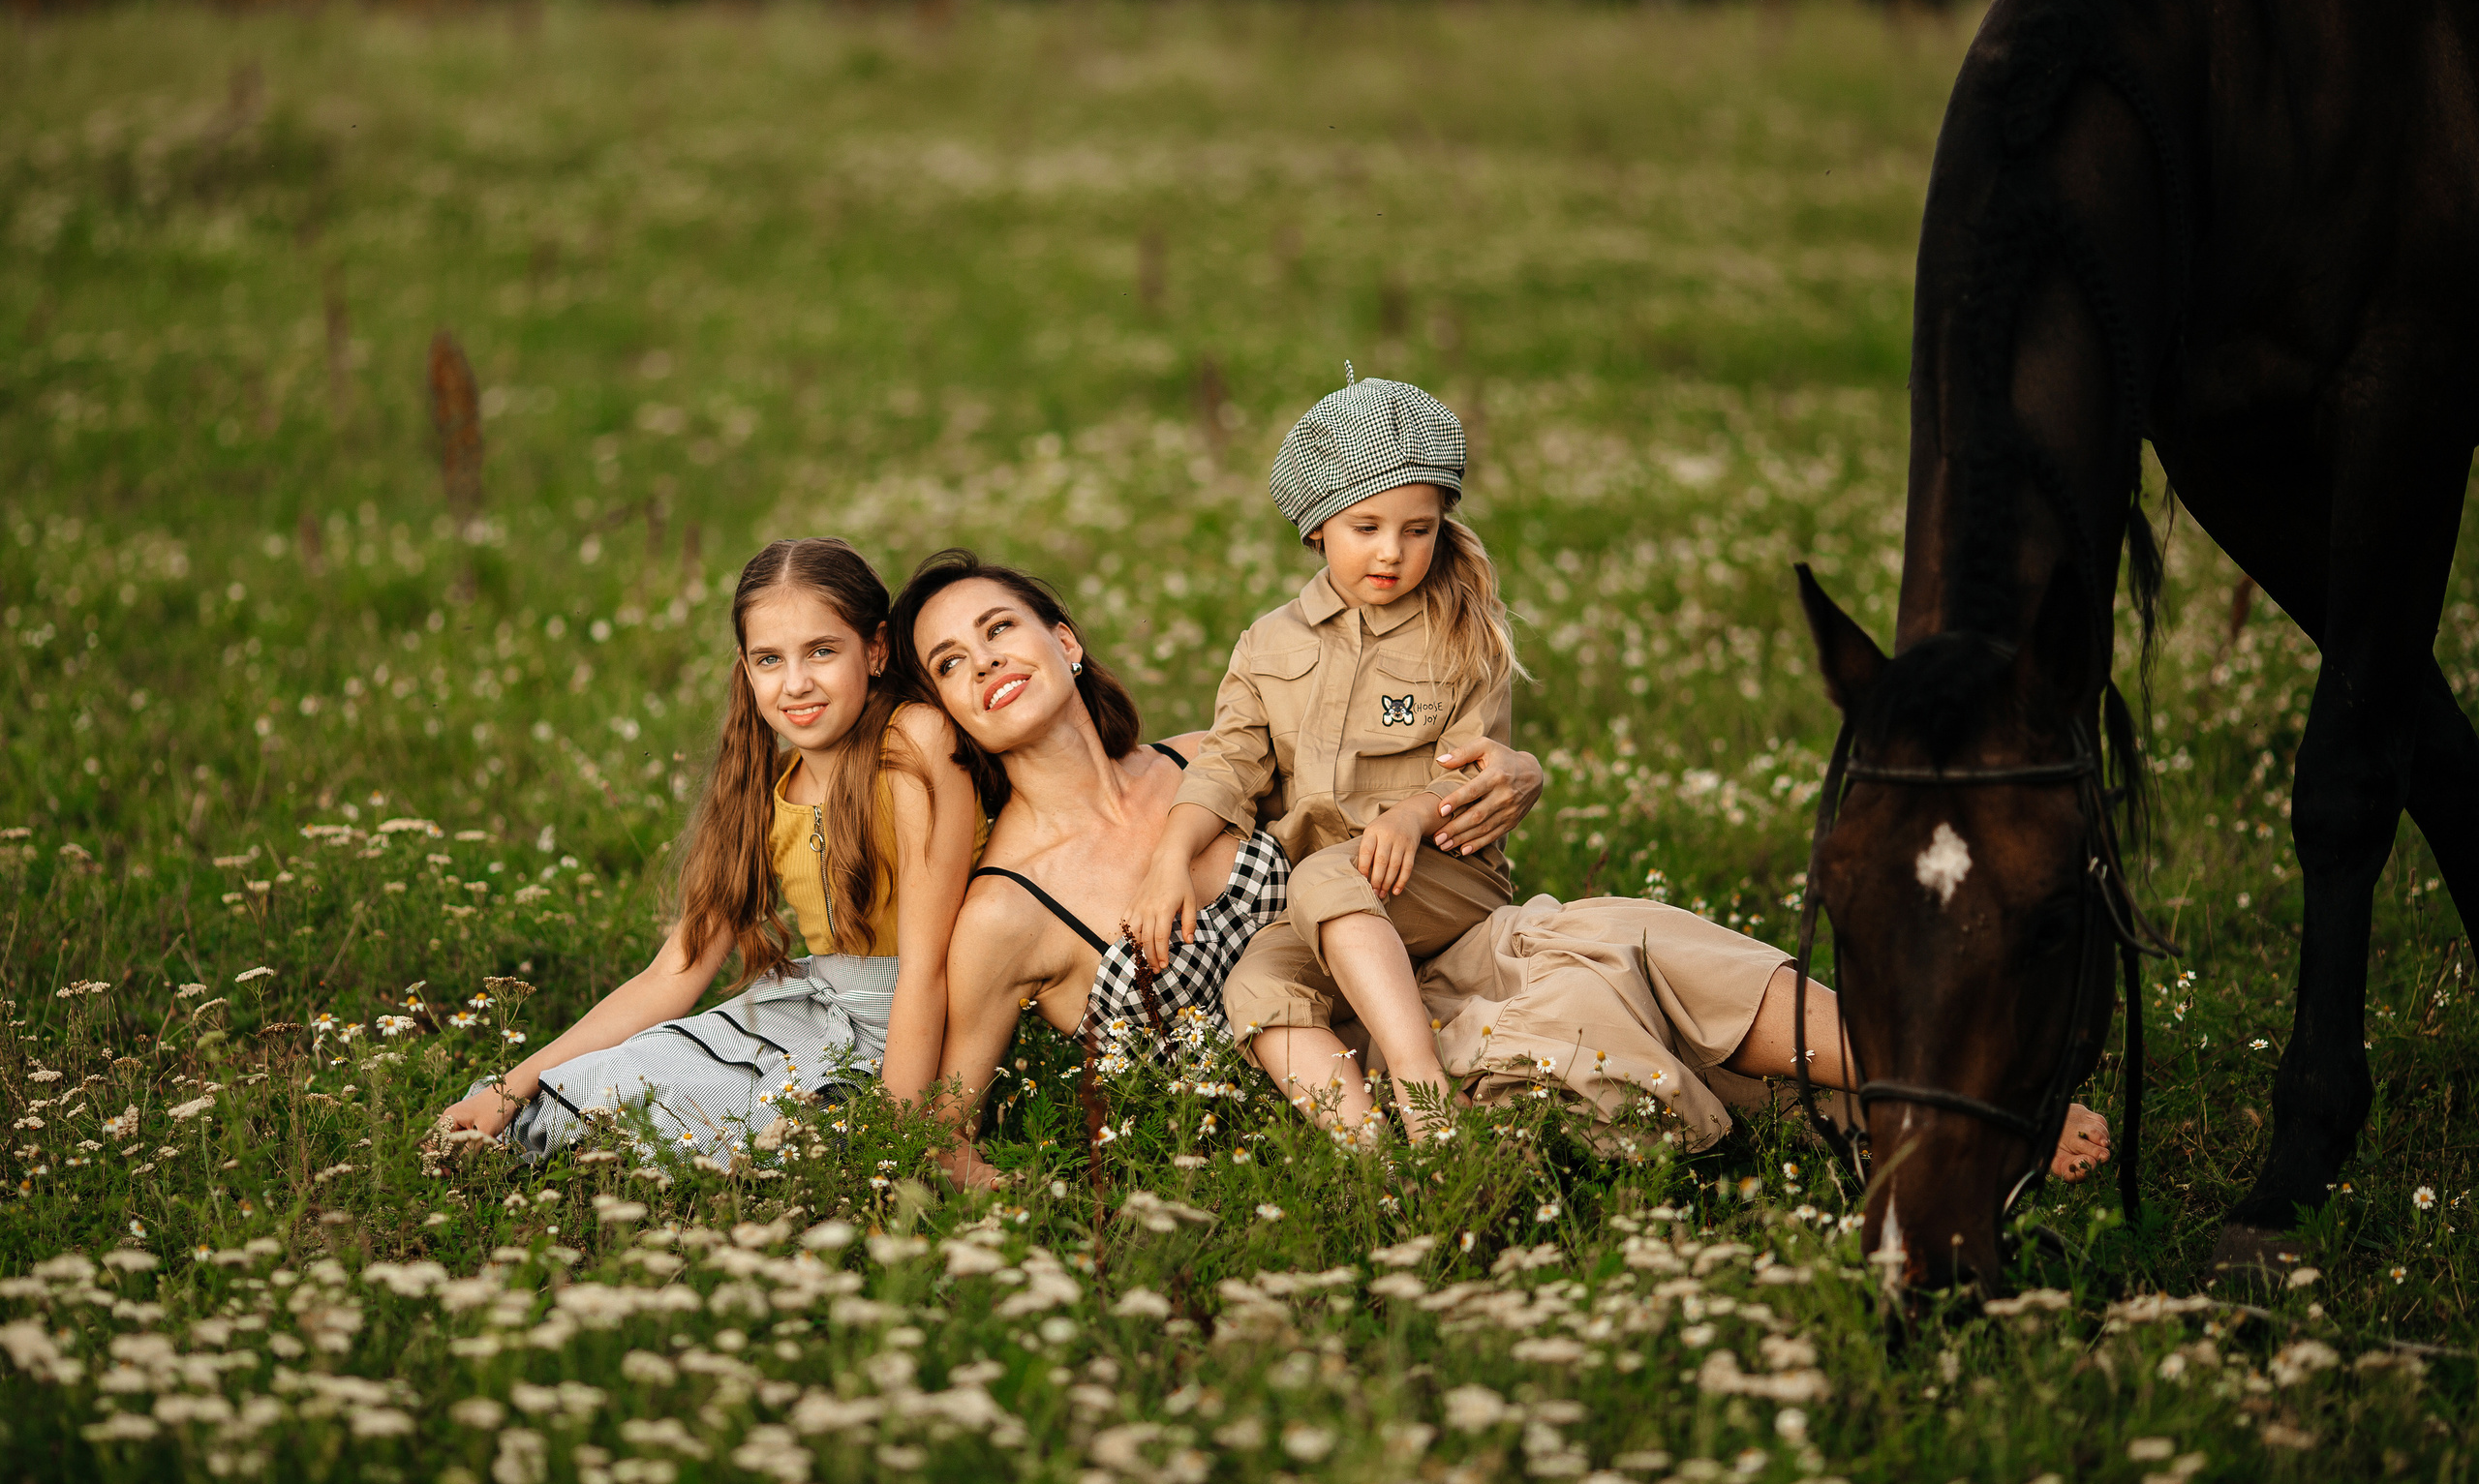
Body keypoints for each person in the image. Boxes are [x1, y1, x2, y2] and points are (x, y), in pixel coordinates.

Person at [899, 550, 2114, 1187]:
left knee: (1628, 935)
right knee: (1599, 1015)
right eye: (949, 663)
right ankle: (1965, 1117)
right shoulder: (1008, 909)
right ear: (947, 711)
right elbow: (939, 1132)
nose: (985, 661)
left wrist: (1509, 776)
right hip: (1358, 1087)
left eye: (1000, 627)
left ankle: (1968, 1090)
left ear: (1061, 638)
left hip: (1439, 954)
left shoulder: (1201, 763)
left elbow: (1373, 806)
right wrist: (1032, 1209)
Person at [435, 538, 980, 1160]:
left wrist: (900, 1140)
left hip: (920, 1023)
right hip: (812, 1010)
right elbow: (674, 973)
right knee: (603, 1092)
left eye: (823, 651)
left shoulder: (914, 739)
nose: (796, 683)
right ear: (746, 670)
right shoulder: (762, 785)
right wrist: (508, 1088)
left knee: (755, 1138)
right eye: (769, 659)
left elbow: (928, 967)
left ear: (876, 649)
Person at [1129, 376, 1524, 1141]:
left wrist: (1413, 817)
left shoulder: (1466, 630)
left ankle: (1424, 1098)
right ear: (1317, 529)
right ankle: (1371, 1154)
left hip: (1444, 878)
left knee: (1324, 870)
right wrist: (1168, 860)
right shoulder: (1269, 642)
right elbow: (1227, 765)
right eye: (1366, 526)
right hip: (1324, 900)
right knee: (1256, 982)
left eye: (1418, 529)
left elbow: (1479, 772)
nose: (1392, 551)